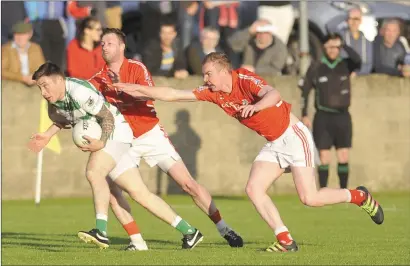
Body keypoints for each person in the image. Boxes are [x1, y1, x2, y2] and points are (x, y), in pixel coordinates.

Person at [112, 51, 384, 252]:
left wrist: (257, 106)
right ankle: (285, 239)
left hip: (293, 136)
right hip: (274, 144)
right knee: (253, 189)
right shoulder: (213, 92)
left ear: (222, 70)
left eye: (208, 73)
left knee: (309, 198)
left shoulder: (243, 77)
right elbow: (172, 93)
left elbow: (274, 94)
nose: (205, 79)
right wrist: (133, 89)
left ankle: (359, 196)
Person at [88, 28, 243, 249]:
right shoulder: (98, 79)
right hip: (123, 141)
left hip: (149, 134)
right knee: (112, 191)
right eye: (102, 43)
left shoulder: (136, 68)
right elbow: (84, 100)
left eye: (110, 43)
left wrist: (121, 84)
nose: (104, 46)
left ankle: (224, 228)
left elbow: (149, 95)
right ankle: (137, 241)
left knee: (188, 184)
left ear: (122, 46)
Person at [27, 62, 204, 251]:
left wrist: (101, 142)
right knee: (134, 193)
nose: (43, 92)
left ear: (59, 80)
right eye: (40, 87)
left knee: (94, 173)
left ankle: (101, 232)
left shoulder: (79, 91)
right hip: (108, 137)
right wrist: (47, 135)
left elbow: (107, 117)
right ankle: (184, 233)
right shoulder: (53, 101)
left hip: (116, 132)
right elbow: (63, 119)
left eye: (45, 85)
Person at [300, 33, 361, 189]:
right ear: (324, 48)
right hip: (323, 117)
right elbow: (305, 90)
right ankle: (324, 190)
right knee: (324, 156)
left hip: (342, 116)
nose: (333, 50)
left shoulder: (346, 64)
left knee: (343, 155)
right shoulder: (316, 66)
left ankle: (344, 191)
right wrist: (304, 113)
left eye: (336, 47)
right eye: (329, 47)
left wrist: (343, 44)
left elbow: (358, 60)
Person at [1, 22, 45, 86]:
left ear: (30, 35)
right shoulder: (6, 49)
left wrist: (34, 77)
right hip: (13, 84)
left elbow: (43, 68)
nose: (20, 38)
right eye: (17, 34)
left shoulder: (35, 48)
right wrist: (22, 78)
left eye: (23, 34)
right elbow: (2, 71)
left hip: (34, 84)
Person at [338, 8, 373, 76]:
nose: (353, 22)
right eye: (351, 18)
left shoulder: (367, 43)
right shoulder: (340, 38)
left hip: (361, 78)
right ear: (347, 20)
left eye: (356, 19)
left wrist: (357, 73)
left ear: (361, 21)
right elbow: (329, 26)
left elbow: (369, 64)